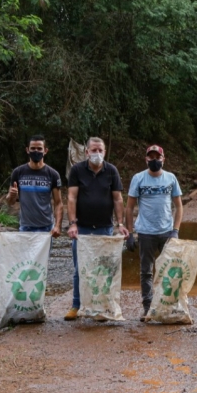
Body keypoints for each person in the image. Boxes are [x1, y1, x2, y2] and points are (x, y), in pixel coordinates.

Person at [64, 137, 129, 320]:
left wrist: (121, 224)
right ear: (86, 152)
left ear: (105, 152)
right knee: (80, 268)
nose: (97, 154)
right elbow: (71, 198)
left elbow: (117, 199)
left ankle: (100, 307)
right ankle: (76, 305)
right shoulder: (77, 170)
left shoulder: (111, 171)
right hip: (82, 228)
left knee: (103, 269)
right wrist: (72, 223)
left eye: (100, 150)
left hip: (104, 228)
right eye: (93, 150)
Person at [125, 145, 183, 321]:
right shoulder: (138, 178)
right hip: (145, 232)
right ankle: (148, 308)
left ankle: (170, 306)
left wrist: (175, 230)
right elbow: (129, 207)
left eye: (157, 157)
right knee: (146, 272)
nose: (154, 160)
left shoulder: (170, 178)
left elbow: (179, 206)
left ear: (163, 159)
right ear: (146, 159)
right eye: (151, 157)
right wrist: (129, 233)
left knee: (171, 271)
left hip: (166, 232)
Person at [6, 135, 63, 237]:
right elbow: (10, 202)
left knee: (45, 254)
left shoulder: (53, 174)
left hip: (46, 227)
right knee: (24, 254)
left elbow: (58, 203)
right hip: (25, 227)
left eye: (39, 148)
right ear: (27, 150)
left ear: (45, 151)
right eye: (33, 148)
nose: (36, 151)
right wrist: (12, 195)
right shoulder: (18, 172)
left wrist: (58, 226)